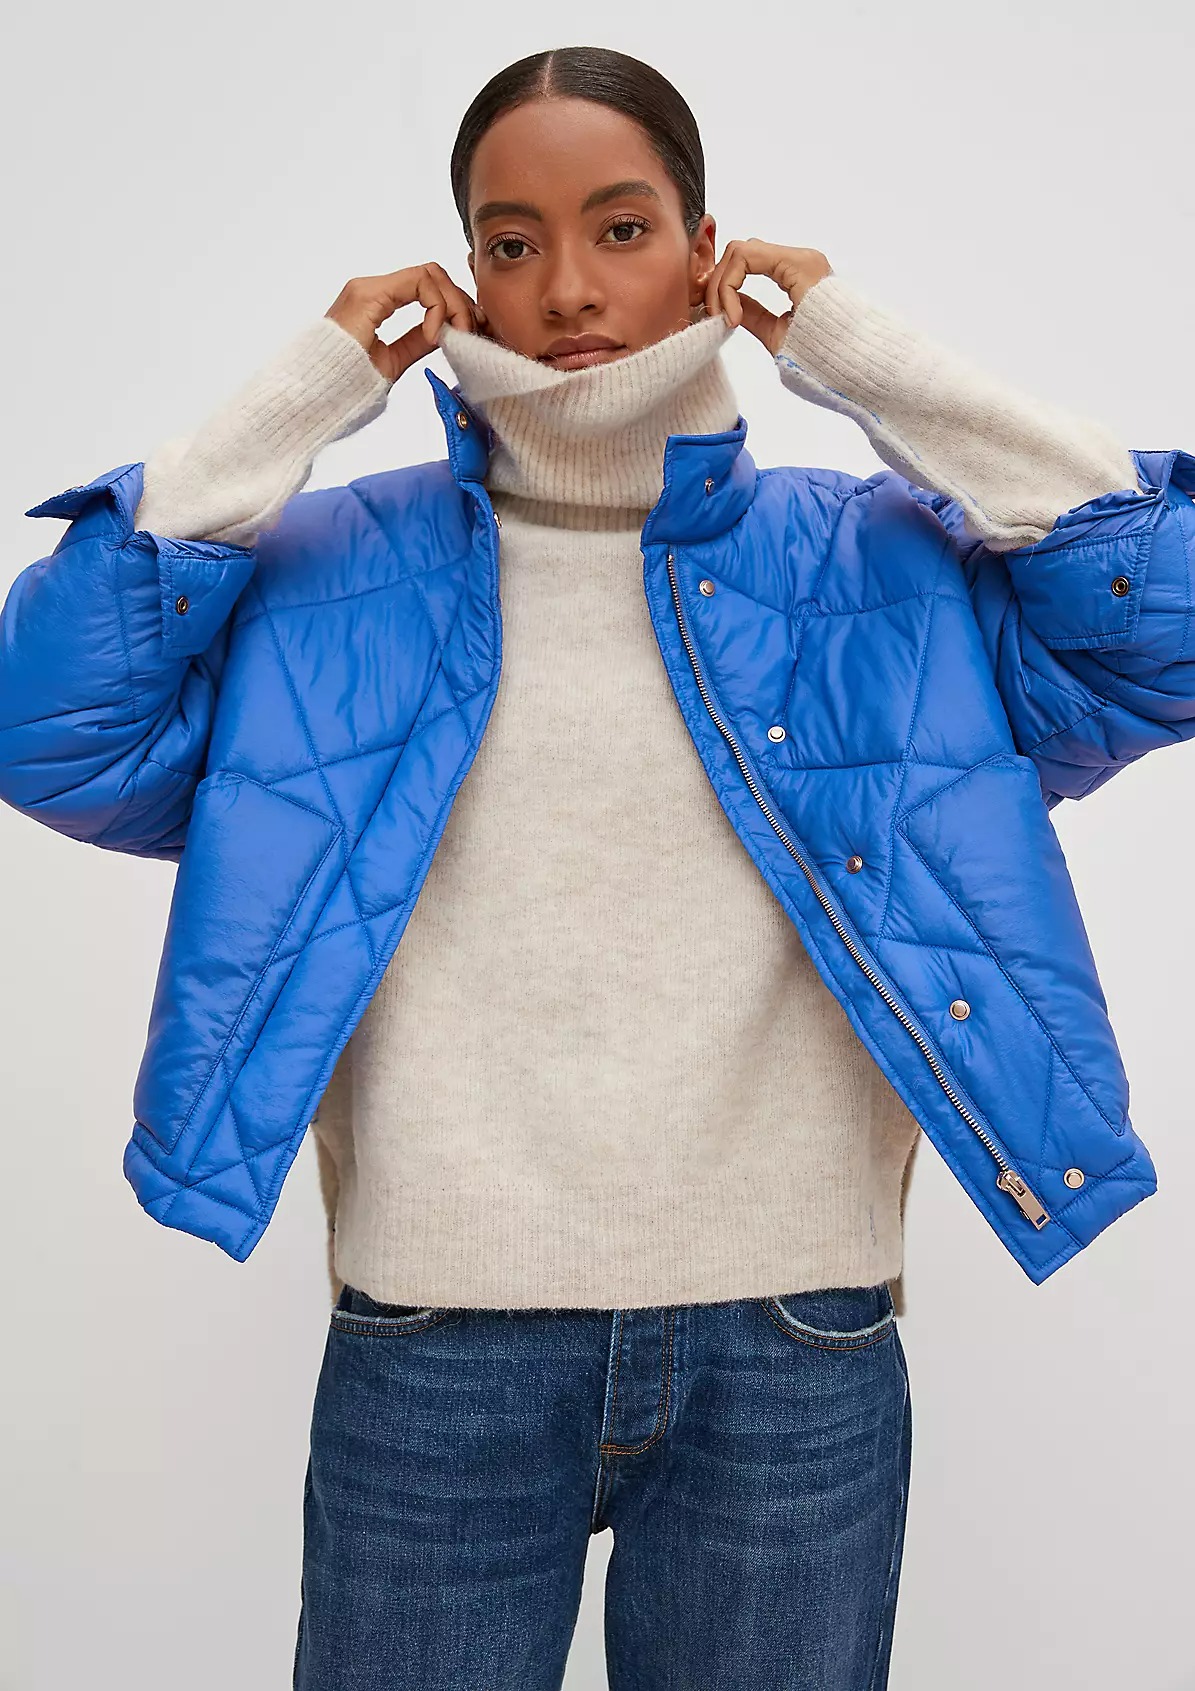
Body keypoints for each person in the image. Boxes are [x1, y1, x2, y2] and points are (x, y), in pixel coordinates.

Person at [3, 42, 1193, 1691]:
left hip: (795, 1342)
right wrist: (304, 396)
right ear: (466, 275)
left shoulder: (875, 564)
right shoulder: (333, 572)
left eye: (622, 229)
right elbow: (52, 726)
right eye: (513, 241)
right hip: (437, 1341)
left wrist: (865, 359)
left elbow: (1165, 625)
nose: (567, 287)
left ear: (708, 251)